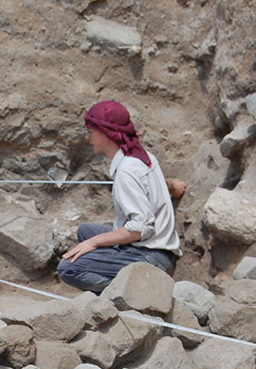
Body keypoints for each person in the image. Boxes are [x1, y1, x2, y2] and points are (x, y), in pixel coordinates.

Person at [57, 100, 184, 294]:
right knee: (86, 231)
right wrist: (173, 186)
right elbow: (152, 185)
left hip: (152, 256)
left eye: (91, 132)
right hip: (160, 247)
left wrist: (94, 243)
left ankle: (133, 292)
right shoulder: (142, 156)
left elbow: (140, 229)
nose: (88, 137)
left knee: (68, 268)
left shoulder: (126, 171)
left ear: (107, 134)